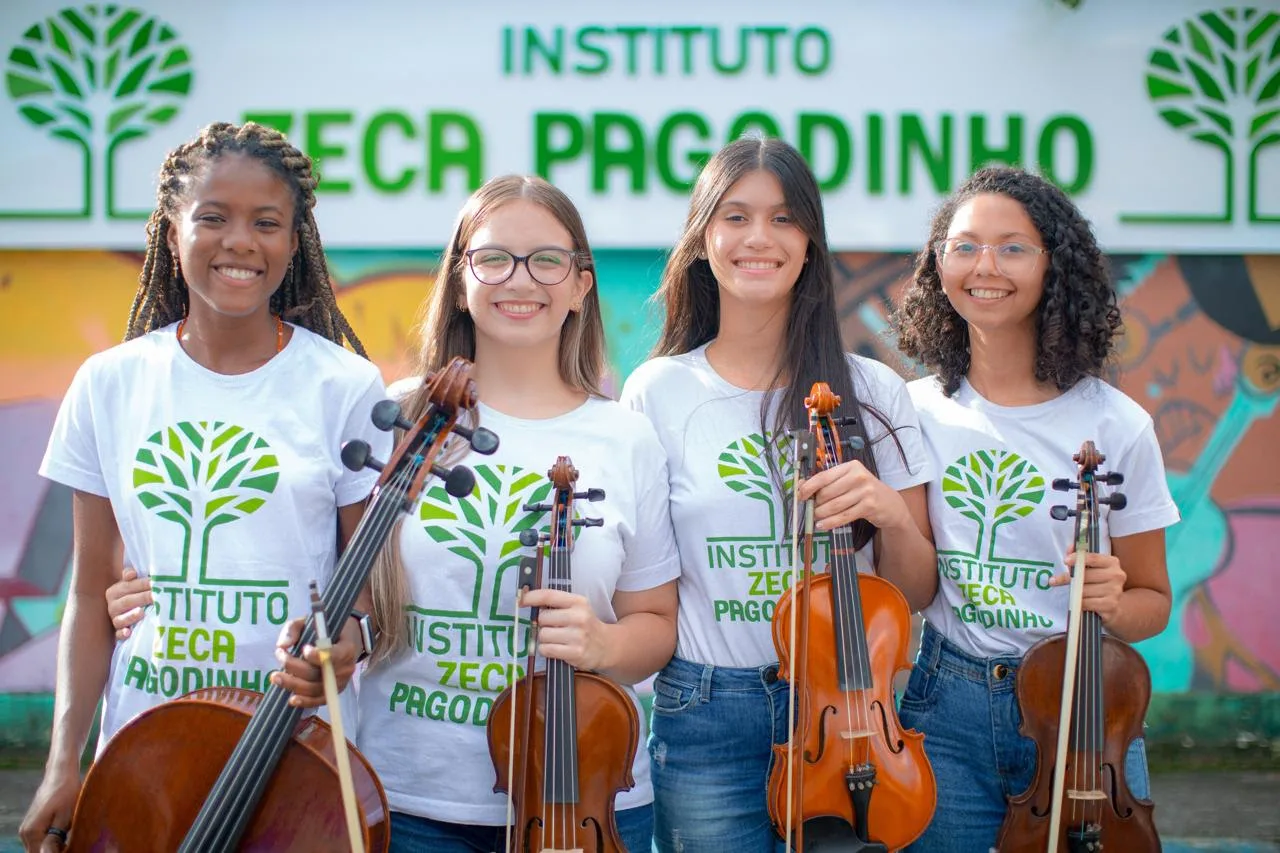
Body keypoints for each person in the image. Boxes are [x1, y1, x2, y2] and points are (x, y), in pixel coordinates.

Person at [20, 121, 389, 853]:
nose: (239, 242)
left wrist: (345, 642)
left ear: (294, 240)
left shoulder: (343, 385)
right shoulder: (111, 382)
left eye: (266, 222)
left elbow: (370, 592)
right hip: (145, 755)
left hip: (296, 758)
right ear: (170, 228)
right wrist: (65, 763)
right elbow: (91, 592)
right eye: (212, 217)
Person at [619, 136, 938, 852]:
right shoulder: (658, 390)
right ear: (703, 240)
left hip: (854, 716)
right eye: (735, 216)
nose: (758, 237)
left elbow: (915, 589)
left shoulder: (874, 389)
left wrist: (886, 510)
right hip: (706, 710)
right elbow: (645, 587)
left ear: (811, 244)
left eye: (785, 218)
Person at [354, 174, 680, 852]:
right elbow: (360, 604)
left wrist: (604, 644)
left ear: (580, 285)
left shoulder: (626, 438)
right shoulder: (405, 412)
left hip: (581, 794)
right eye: (494, 258)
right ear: (461, 274)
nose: (520, 280)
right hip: (407, 794)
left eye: (547, 260)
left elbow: (656, 624)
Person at [890, 165, 1180, 852]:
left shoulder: (1118, 425)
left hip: (1084, 716)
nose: (985, 266)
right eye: (964, 246)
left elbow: (1153, 602)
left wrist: (1112, 598)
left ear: (1056, 264)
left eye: (1013, 246)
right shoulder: (917, 410)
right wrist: (893, 518)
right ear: (938, 263)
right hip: (946, 704)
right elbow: (917, 589)